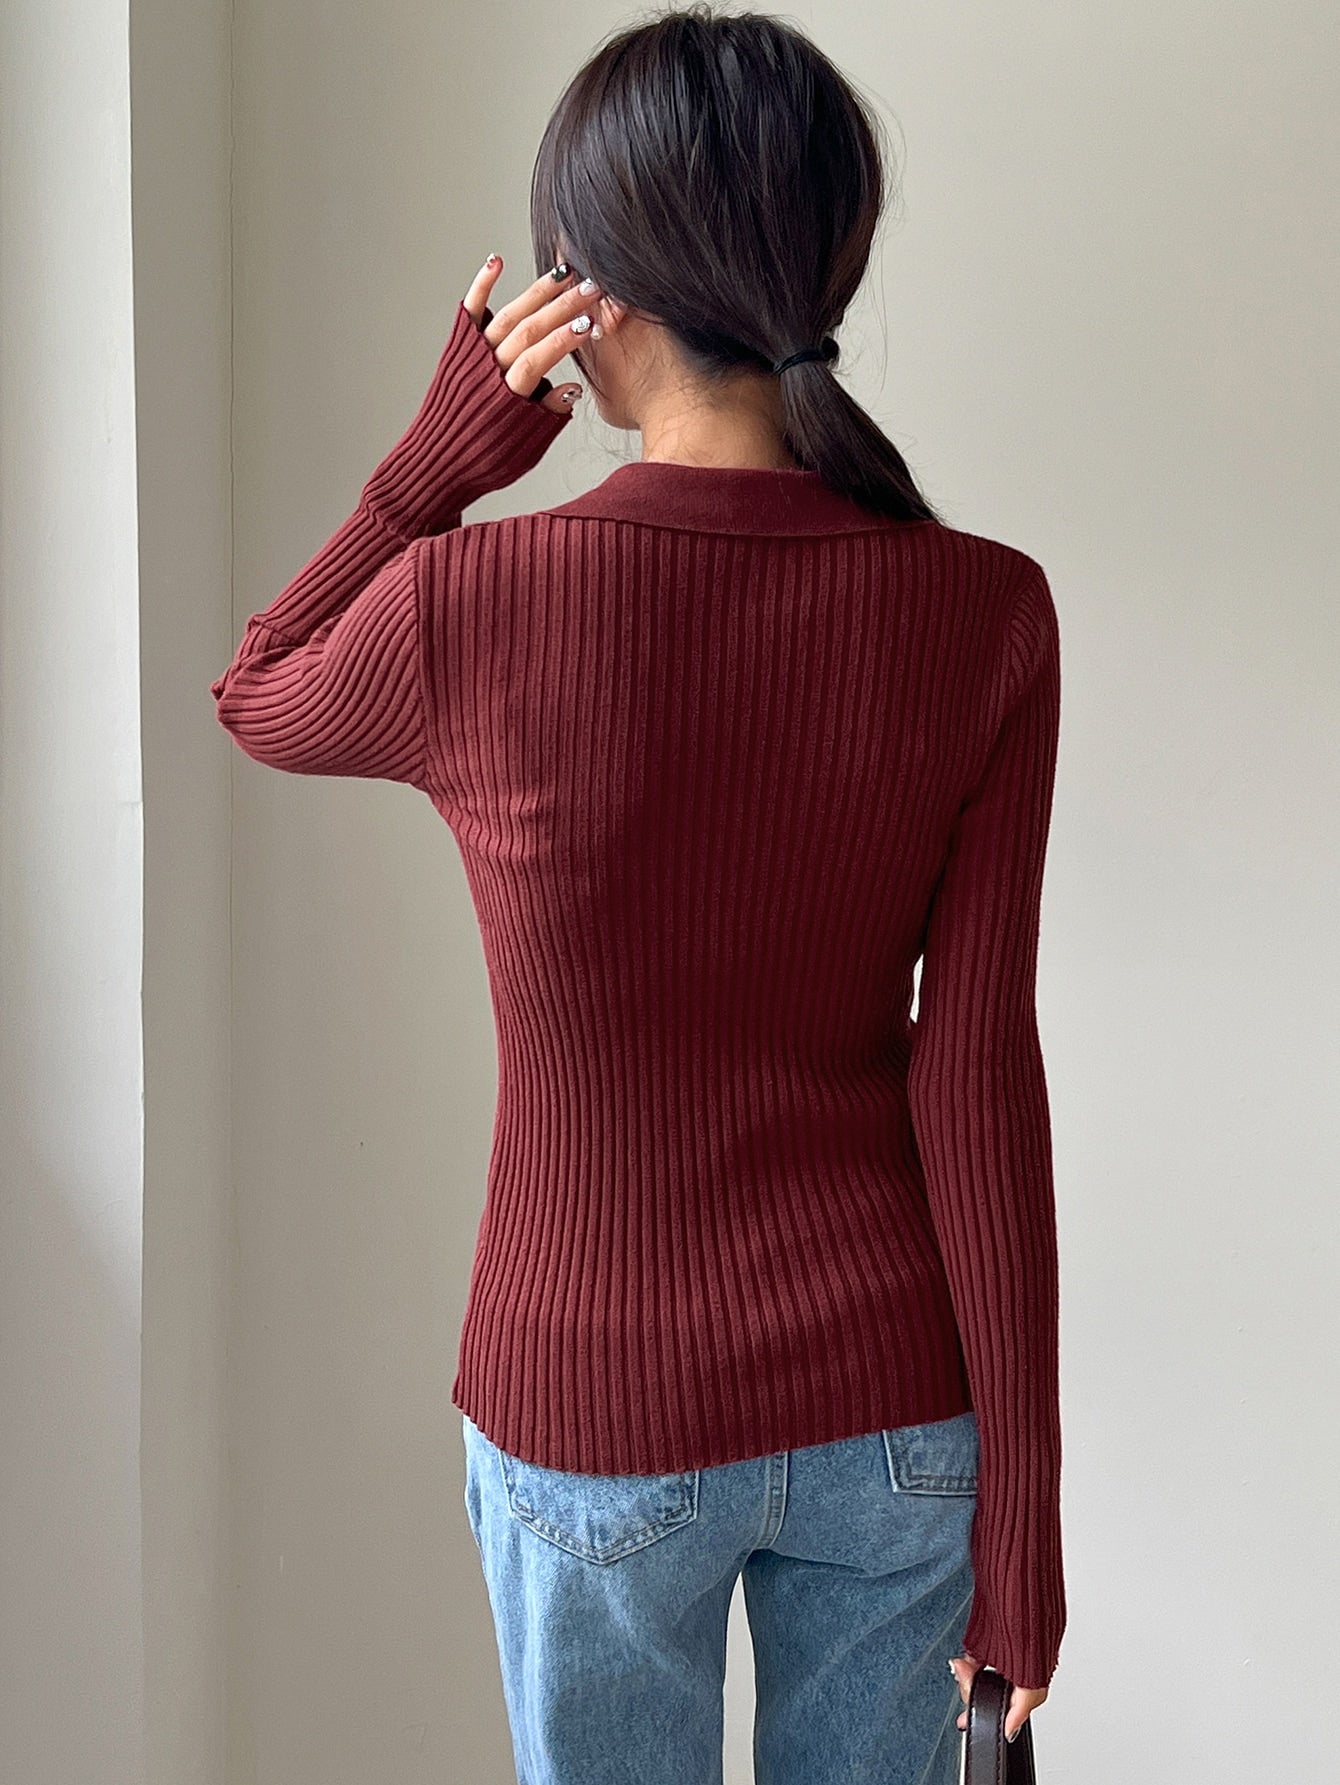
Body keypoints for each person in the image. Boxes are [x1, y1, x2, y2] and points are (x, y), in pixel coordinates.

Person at [210, 7, 1066, 1780]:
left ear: (587, 289)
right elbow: (978, 1070)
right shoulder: (985, 609)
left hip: (590, 1408)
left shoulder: (470, 607)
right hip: (899, 1421)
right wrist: (1028, 1524)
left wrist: (437, 465)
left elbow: (259, 691)